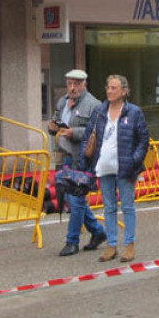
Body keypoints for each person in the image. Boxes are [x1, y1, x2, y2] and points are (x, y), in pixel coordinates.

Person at [80, 75, 149, 263]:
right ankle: (111, 245)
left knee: (127, 207)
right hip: (103, 167)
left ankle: (129, 245)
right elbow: (87, 137)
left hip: (126, 168)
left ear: (124, 91)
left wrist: (134, 161)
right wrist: (84, 163)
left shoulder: (134, 112)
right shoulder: (99, 112)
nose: (110, 91)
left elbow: (143, 141)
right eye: (108, 87)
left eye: (114, 88)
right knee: (109, 207)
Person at [49, 69, 107, 257]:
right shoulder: (62, 102)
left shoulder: (94, 105)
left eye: (76, 84)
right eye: (69, 84)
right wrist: (52, 128)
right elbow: (57, 123)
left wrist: (75, 132)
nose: (72, 88)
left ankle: (71, 241)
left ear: (84, 84)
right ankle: (98, 232)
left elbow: (98, 131)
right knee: (70, 198)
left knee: (76, 200)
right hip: (64, 155)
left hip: (81, 158)